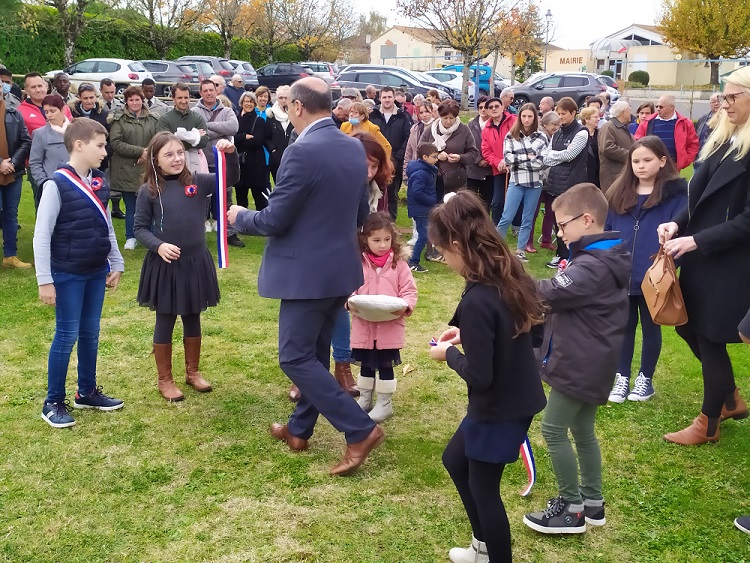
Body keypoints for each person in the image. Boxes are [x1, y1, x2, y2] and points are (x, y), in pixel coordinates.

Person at [228, 77, 385, 477]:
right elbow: (358, 215)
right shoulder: (352, 146)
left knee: (295, 357)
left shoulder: (301, 151)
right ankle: (299, 430)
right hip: (339, 267)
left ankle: (359, 429)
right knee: (313, 354)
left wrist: (240, 216)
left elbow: (274, 219)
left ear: (297, 106)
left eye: (287, 105)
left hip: (307, 273)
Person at [428, 190, 546, 563]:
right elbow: (520, 329)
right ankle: (481, 548)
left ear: (458, 245)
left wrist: (449, 354)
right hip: (514, 397)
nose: (443, 260)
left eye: (442, 252)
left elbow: (480, 376)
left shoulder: (481, 297)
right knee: (454, 460)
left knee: (484, 490)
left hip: (499, 407)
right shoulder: (505, 273)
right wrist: (468, 335)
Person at [523, 183, 630, 535]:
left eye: (562, 224)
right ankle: (593, 502)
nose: (559, 232)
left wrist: (510, 280)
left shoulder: (593, 266)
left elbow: (549, 292)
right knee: (583, 430)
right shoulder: (601, 257)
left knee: (553, 430)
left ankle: (571, 509)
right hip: (593, 362)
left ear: (586, 220)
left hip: (579, 364)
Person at [658, 67, 750, 445]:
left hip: (730, 261)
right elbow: (698, 197)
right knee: (686, 325)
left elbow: (748, 221)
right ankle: (728, 398)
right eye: (723, 96)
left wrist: (697, 241)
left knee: (710, 336)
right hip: (701, 254)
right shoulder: (725, 138)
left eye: (732, 97)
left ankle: (708, 422)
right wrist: (677, 224)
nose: (723, 103)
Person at [33, 119, 125, 428]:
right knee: (66, 334)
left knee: (90, 332)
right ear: (79, 145)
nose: (104, 151)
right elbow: (41, 236)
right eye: (100, 145)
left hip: (96, 271)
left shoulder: (99, 182)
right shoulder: (56, 184)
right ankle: (52, 402)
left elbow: (107, 226)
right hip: (68, 273)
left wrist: (116, 262)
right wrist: (45, 280)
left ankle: (86, 391)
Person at [134, 132, 238, 402]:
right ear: (155, 159)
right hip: (166, 265)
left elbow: (230, 179)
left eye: (180, 152)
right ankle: (165, 379)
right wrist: (158, 245)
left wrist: (231, 155)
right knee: (165, 318)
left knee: (193, 315)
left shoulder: (198, 182)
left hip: (195, 262)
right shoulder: (148, 191)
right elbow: (140, 228)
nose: (177, 158)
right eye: (169, 154)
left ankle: (193, 372)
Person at [604, 136, 687, 403]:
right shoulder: (618, 193)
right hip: (622, 274)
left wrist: (670, 263)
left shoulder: (677, 196)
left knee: (652, 327)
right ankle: (622, 376)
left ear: (662, 161)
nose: (641, 166)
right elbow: (608, 231)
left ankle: (645, 379)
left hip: (655, 276)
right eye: (636, 161)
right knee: (624, 326)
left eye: (647, 160)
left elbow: (683, 233)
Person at [349, 212, 418, 422]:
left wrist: (405, 306)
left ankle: (385, 403)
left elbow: (409, 291)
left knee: (385, 364)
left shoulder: (399, 264)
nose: (382, 245)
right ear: (365, 239)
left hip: (389, 327)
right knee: (366, 364)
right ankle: (365, 397)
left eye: (387, 239)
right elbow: (349, 289)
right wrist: (350, 302)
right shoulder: (357, 263)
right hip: (364, 325)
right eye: (376, 240)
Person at [192, 79, 242, 246]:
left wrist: (207, 127)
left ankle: (230, 233)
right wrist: (220, 131)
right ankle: (197, 235)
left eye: (211, 90)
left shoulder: (227, 110)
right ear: (201, 93)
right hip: (202, 163)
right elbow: (196, 134)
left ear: (216, 91)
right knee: (201, 201)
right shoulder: (195, 111)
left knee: (226, 199)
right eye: (205, 90)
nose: (209, 93)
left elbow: (233, 128)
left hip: (223, 163)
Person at [109, 86, 159, 250]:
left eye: (137, 99)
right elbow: (116, 142)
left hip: (148, 168)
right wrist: (139, 151)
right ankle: (131, 237)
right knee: (131, 206)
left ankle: (150, 234)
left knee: (150, 204)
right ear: (126, 101)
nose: (135, 102)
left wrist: (147, 152)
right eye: (131, 100)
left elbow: (159, 138)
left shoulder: (153, 119)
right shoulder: (119, 119)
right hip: (127, 169)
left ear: (142, 100)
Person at [541, 97, 589, 269]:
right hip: (555, 183)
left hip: (572, 184)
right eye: (559, 113)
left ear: (573, 113)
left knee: (571, 221)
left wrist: (555, 155)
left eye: (563, 114)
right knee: (558, 221)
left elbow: (570, 155)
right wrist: (558, 155)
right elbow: (545, 156)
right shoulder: (558, 133)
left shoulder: (582, 132)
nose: (560, 117)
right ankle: (561, 255)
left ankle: (572, 256)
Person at [496, 102, 547, 262]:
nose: (526, 119)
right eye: (523, 116)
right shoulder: (511, 135)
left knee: (528, 219)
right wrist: (528, 157)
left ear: (535, 118)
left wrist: (519, 160)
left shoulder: (542, 137)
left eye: (530, 116)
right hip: (517, 181)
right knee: (507, 217)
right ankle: (495, 247)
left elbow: (542, 162)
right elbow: (508, 158)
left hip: (535, 183)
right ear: (519, 117)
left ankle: (520, 250)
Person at [19, 73, 73, 208]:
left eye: (40, 85)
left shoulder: (63, 106)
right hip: (38, 165)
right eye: (33, 87)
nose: (38, 90)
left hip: (66, 164)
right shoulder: (20, 111)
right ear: (26, 90)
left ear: (46, 86)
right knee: (44, 205)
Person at [419, 99, 478, 202]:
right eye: (445, 118)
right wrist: (437, 156)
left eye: (451, 118)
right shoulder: (431, 130)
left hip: (455, 180)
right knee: (435, 209)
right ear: (440, 116)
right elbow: (420, 150)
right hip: (432, 179)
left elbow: (474, 154)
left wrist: (460, 158)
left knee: (454, 209)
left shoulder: (464, 130)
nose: (448, 121)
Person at [369, 86, 412, 219]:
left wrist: (397, 157)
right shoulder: (373, 116)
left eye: (389, 97)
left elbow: (407, 138)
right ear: (380, 99)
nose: (387, 100)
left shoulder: (403, 116)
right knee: (374, 192)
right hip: (375, 162)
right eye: (384, 97)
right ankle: (374, 220)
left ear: (394, 98)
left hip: (395, 162)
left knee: (392, 194)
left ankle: (391, 222)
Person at [0, 89, 32, 268]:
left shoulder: (14, 113)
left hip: (13, 172)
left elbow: (26, 141)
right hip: (4, 167)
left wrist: (12, 162)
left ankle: (10, 256)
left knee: (10, 213)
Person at [634, 94, 699, 171]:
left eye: (661, 107)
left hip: (673, 166)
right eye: (656, 106)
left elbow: (693, 144)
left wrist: (685, 161)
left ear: (671, 107)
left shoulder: (685, 123)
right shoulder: (647, 122)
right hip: (651, 166)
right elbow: (638, 142)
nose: (658, 109)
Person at [156, 83, 209, 175]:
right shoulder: (164, 119)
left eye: (186, 97)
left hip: (194, 164)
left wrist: (176, 136)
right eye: (180, 98)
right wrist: (194, 136)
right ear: (173, 98)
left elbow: (204, 141)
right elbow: (164, 143)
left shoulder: (197, 118)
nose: (184, 101)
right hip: (172, 164)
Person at [29, 95, 71, 206]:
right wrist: (44, 182)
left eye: (52, 111)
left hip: (75, 183)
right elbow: (35, 162)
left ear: (62, 109)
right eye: (46, 112)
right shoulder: (39, 134)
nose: (49, 115)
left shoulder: (76, 130)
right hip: (52, 185)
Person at [481, 96, 516, 225]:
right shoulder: (486, 129)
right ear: (487, 111)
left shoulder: (514, 121)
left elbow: (520, 141)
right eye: (491, 107)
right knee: (497, 201)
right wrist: (498, 162)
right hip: (499, 169)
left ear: (502, 108)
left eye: (497, 106)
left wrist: (508, 160)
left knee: (517, 199)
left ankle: (517, 226)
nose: (494, 109)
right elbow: (486, 151)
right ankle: (496, 228)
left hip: (517, 166)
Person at [235, 91, 271, 211]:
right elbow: (232, 139)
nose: (249, 104)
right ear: (242, 103)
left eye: (251, 102)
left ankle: (262, 220)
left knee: (259, 198)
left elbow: (257, 141)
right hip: (240, 164)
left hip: (256, 164)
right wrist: (244, 136)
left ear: (254, 104)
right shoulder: (236, 119)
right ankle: (241, 220)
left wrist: (239, 140)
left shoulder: (259, 121)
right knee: (240, 197)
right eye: (246, 101)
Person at [406, 142, 439, 272]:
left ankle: (415, 259)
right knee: (423, 236)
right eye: (434, 156)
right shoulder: (421, 173)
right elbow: (417, 192)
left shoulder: (426, 170)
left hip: (423, 209)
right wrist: (431, 200)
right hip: (420, 209)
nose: (437, 159)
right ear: (425, 157)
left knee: (425, 234)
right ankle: (413, 261)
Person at [536, 111, 561, 252]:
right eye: (554, 124)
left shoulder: (556, 137)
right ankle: (527, 241)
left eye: (558, 124)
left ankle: (546, 240)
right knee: (533, 212)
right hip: (540, 179)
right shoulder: (540, 137)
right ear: (545, 124)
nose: (556, 127)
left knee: (551, 212)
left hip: (551, 180)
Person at [598, 100, 634, 192]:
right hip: (613, 176)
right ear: (623, 112)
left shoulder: (622, 128)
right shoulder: (609, 127)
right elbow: (607, 148)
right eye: (629, 111)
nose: (631, 114)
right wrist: (630, 155)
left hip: (621, 173)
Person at [466, 96, 493, 209]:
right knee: (470, 203)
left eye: (485, 107)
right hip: (473, 170)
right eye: (480, 107)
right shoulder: (471, 125)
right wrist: (478, 160)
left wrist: (488, 160)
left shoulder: (495, 124)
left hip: (489, 171)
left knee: (486, 203)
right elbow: (467, 145)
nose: (483, 110)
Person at [266, 85, 293, 182]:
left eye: (286, 97)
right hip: (276, 158)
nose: (283, 100)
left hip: (293, 156)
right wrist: (272, 149)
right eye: (281, 98)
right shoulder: (271, 115)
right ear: (277, 99)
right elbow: (266, 137)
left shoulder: (296, 114)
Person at [694, 92, 722, 169]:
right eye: (713, 102)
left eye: (718, 101)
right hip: (699, 159)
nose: (716, 104)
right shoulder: (703, 118)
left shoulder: (727, 120)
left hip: (716, 160)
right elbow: (695, 136)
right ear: (710, 104)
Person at [580, 106, 600, 188]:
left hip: (599, 171)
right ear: (586, 119)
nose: (598, 119)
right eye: (595, 117)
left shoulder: (600, 133)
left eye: (598, 117)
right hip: (585, 172)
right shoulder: (580, 134)